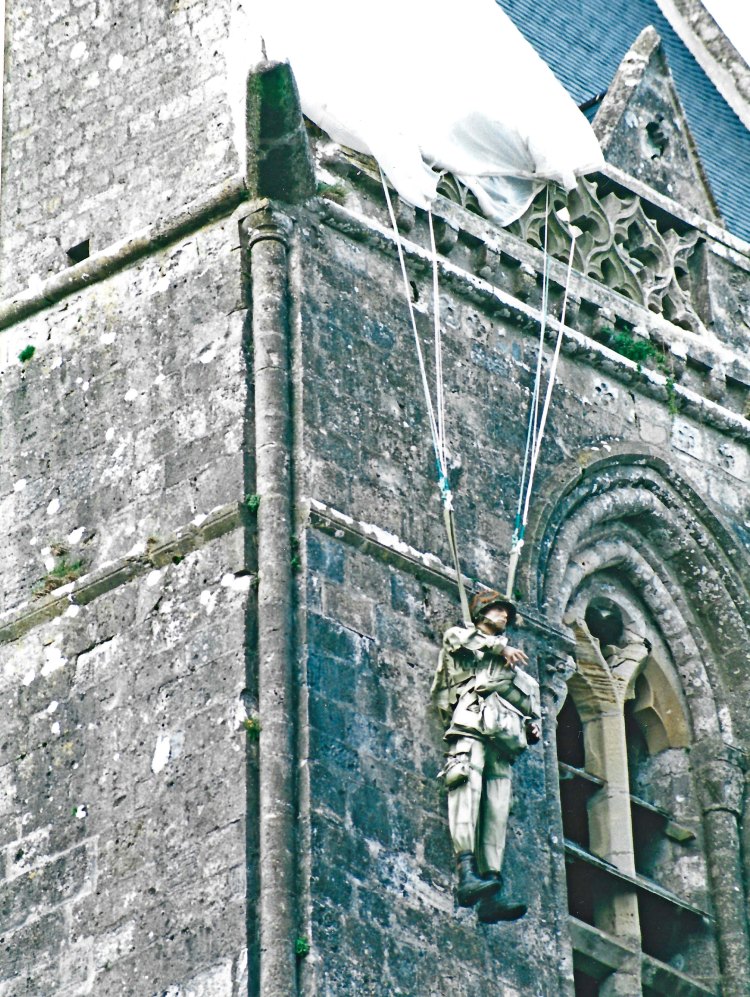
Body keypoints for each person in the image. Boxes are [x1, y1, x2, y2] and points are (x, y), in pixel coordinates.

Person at [431, 589, 541, 922]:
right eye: (497, 609)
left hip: (504, 739)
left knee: (497, 806)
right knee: (466, 785)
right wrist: (499, 648)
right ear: (480, 614)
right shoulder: (464, 641)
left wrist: (532, 726)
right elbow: (457, 641)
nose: (504, 615)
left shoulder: (519, 673)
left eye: (506, 612)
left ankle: (493, 887)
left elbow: (530, 709)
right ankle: (467, 872)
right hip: (472, 722)